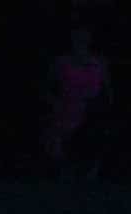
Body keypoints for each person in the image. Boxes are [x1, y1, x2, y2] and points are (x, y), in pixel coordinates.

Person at [43, 25, 114, 180]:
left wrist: (105, 107)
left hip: (93, 108)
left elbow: (108, 89)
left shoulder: (99, 62)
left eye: (84, 38)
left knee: (96, 138)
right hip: (66, 106)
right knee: (58, 139)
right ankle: (65, 173)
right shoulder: (61, 62)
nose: (80, 41)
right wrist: (54, 102)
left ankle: (91, 173)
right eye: (77, 38)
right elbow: (48, 87)